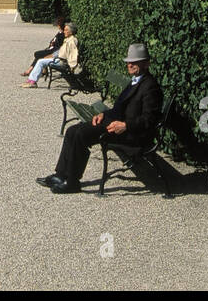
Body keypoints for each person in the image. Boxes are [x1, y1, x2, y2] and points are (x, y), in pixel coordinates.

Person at [37, 42, 163, 194]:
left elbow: (150, 119)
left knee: (81, 134)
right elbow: (119, 109)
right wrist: (104, 114)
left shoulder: (150, 86)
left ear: (146, 63)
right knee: (72, 130)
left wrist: (126, 125)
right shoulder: (135, 81)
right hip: (117, 125)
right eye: (129, 61)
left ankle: (72, 182)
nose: (130, 65)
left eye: (135, 62)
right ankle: (61, 174)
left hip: (131, 133)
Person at [22, 21, 78, 87]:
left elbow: (69, 54)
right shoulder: (69, 39)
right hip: (61, 60)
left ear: (71, 32)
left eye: (66, 30)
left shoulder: (71, 41)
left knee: (41, 61)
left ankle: (32, 82)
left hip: (63, 62)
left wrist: (71, 66)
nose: (64, 32)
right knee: (40, 59)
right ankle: (31, 80)